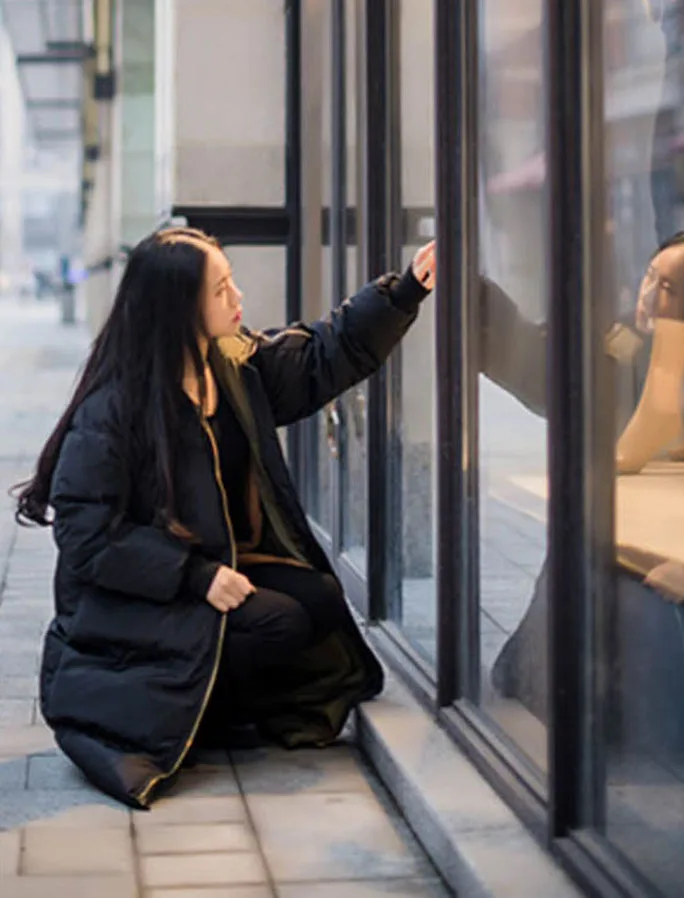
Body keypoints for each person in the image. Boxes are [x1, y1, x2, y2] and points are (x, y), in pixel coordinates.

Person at [14, 226, 436, 809]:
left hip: (204, 571)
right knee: (276, 621)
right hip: (130, 604)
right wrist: (196, 576)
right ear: (179, 307)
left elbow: (321, 355)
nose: (237, 297)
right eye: (220, 289)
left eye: (231, 281)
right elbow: (87, 539)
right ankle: (197, 717)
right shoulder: (114, 409)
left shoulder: (232, 367)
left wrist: (406, 290)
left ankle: (219, 703)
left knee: (317, 597)